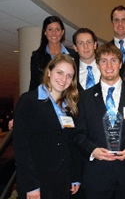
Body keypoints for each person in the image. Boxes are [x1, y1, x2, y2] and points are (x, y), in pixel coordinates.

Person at [74, 43, 125, 199]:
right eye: (103, 61)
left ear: (120, 64)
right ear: (97, 65)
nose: (109, 65)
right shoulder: (84, 98)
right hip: (96, 177)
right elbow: (79, 135)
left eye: (113, 60)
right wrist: (93, 151)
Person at [13, 54, 80, 199]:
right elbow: (21, 147)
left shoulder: (69, 106)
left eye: (69, 75)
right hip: (38, 180)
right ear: (49, 72)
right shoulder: (29, 101)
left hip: (62, 179)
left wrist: (74, 176)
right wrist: (31, 185)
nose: (64, 79)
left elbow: (70, 145)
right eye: (59, 72)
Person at [29, 15, 79, 91]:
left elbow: (76, 82)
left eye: (57, 29)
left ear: (62, 32)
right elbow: (34, 84)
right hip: (45, 99)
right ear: (45, 32)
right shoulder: (37, 56)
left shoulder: (74, 55)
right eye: (50, 29)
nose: (54, 33)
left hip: (67, 99)